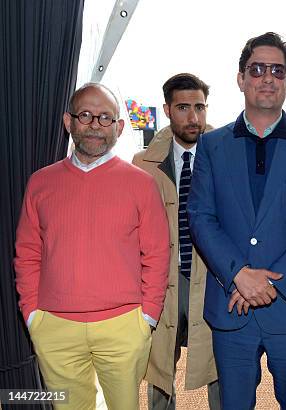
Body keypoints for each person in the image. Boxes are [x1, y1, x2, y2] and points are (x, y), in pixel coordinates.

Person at [187, 32, 286, 409]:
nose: (267, 77)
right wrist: (239, 274)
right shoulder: (211, 145)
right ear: (240, 78)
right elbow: (201, 218)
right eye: (257, 69)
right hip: (230, 307)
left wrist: (270, 284)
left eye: (277, 70)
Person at [14, 83, 170, 409]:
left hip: (125, 326)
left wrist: (147, 319)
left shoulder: (141, 184)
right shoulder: (40, 183)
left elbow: (156, 254)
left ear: (119, 127)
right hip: (54, 328)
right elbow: (27, 253)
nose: (95, 125)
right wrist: (33, 317)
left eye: (104, 117)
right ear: (68, 121)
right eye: (85, 115)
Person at [132, 73, 220, 410]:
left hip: (212, 282)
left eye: (199, 107)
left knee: (222, 371)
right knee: (158, 374)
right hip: (162, 282)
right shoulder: (142, 165)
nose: (193, 117)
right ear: (168, 110)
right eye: (183, 107)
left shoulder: (225, 154)